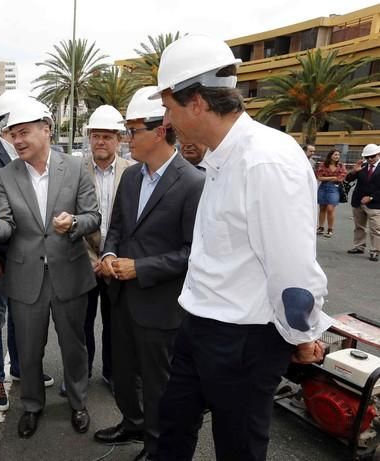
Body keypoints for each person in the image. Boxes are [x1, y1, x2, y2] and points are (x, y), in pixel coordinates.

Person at [151, 35, 331, 461]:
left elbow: (292, 274)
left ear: (196, 102)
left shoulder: (265, 160)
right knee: (172, 429)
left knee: (239, 447)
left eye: (169, 107)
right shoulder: (221, 158)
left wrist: (303, 336)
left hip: (244, 341)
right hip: (199, 325)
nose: (167, 120)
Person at [0, 97, 100, 439]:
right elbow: (5, 226)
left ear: (46, 130)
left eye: (24, 132)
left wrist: (73, 222)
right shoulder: (4, 175)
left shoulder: (74, 168)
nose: (17, 140)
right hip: (26, 276)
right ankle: (31, 405)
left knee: (74, 346)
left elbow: (93, 217)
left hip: (69, 274)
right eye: (13, 134)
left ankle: (77, 402)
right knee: (28, 350)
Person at [92, 88, 204, 461]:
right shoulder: (132, 177)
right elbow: (117, 229)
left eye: (133, 130)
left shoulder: (193, 182)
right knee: (123, 374)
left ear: (160, 130)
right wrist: (108, 253)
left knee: (157, 384)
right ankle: (132, 422)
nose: (127, 139)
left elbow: (193, 253)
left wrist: (140, 268)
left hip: (160, 306)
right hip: (121, 299)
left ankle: (156, 445)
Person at [0, 90, 54, 413]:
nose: (21, 134)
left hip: (23, 260)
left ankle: (19, 367)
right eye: (16, 127)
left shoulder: (26, 158)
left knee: (20, 319)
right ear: (6, 125)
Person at [81, 105, 132, 390]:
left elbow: (133, 222)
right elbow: (70, 219)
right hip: (85, 263)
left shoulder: (132, 171)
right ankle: (82, 374)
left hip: (117, 263)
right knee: (82, 324)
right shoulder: (75, 172)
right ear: (89, 138)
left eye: (107, 136)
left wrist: (111, 259)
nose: (101, 141)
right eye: (96, 135)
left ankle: (113, 375)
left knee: (116, 326)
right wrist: (92, 260)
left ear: (119, 139)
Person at [346, 143, 380, 261]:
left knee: (375, 228)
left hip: (375, 203)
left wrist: (371, 197)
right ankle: (359, 246)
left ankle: (375, 250)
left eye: (372, 156)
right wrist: (354, 171)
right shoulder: (362, 166)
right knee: (359, 226)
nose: (370, 159)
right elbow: (348, 179)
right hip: (358, 201)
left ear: (378, 154)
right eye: (367, 157)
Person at [316, 149, 347, 237]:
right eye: (335, 155)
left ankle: (330, 229)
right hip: (323, 187)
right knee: (322, 208)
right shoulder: (323, 165)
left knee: (330, 208)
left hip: (334, 188)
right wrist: (333, 177)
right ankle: (321, 227)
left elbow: (341, 178)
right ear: (330, 155)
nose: (337, 156)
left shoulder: (341, 165)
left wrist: (329, 178)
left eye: (338, 155)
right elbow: (319, 177)